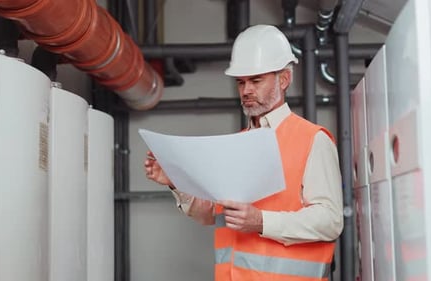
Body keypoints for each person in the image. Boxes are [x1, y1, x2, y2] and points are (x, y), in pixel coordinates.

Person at [144, 24, 343, 281]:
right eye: (241, 82)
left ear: (284, 79)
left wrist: (262, 222)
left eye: (256, 80)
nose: (246, 90)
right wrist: (175, 179)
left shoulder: (312, 139)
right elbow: (210, 214)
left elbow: (330, 220)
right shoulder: (236, 144)